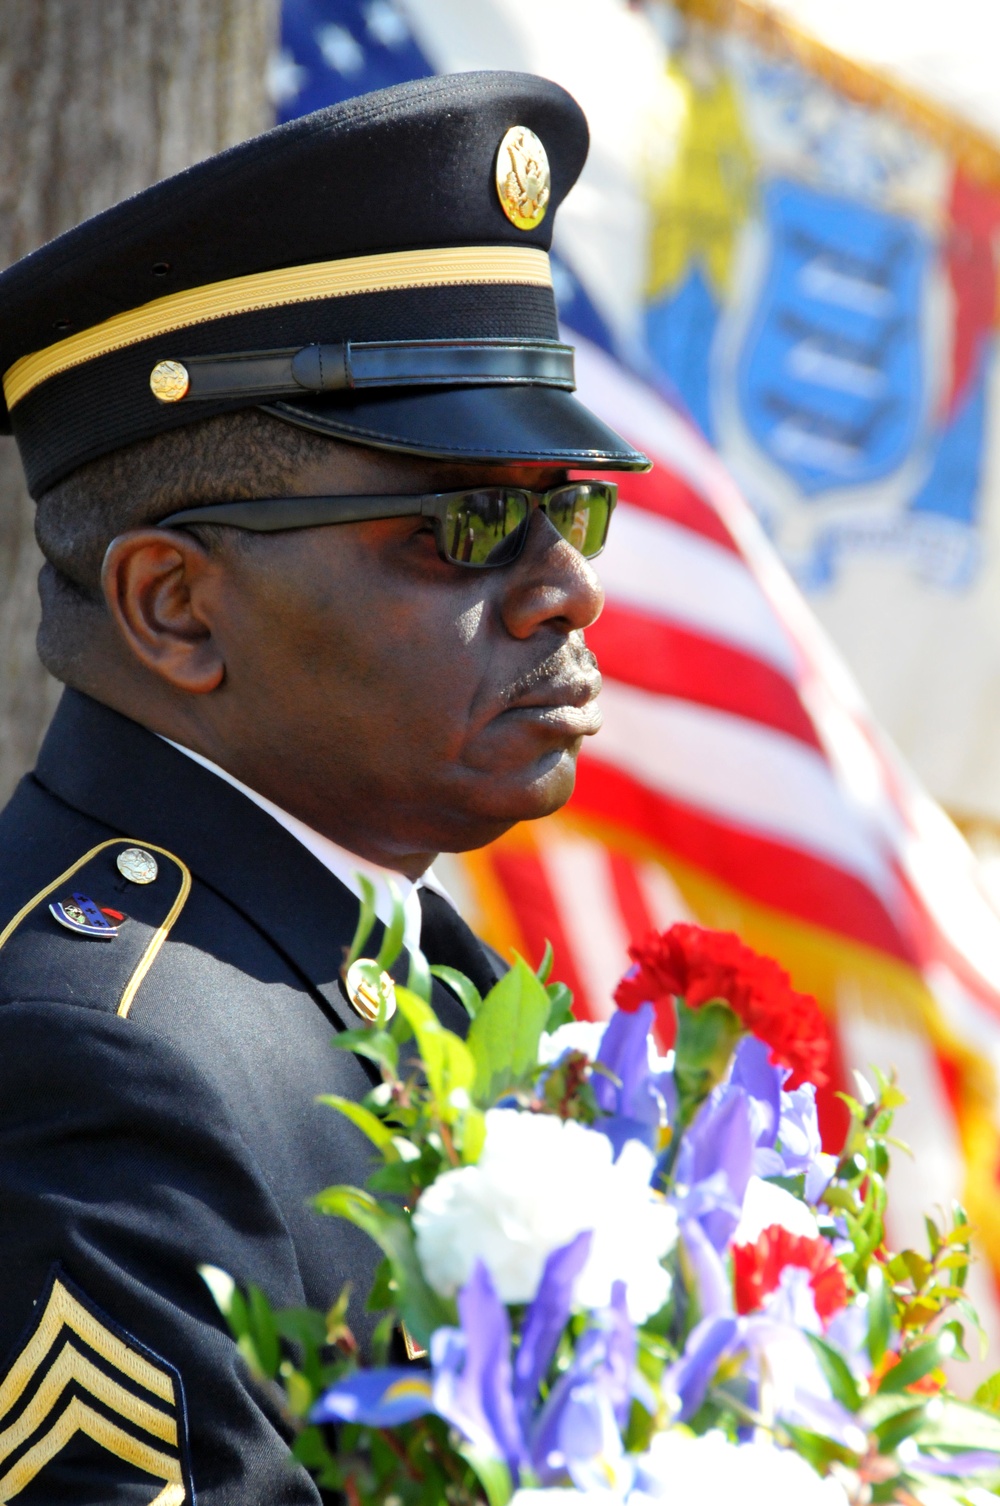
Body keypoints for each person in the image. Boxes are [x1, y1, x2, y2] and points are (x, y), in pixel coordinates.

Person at [0, 71, 647, 1504]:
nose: (568, 585)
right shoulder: (88, 1058)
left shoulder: (417, 971)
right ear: (174, 605)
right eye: (469, 522)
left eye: (570, 505)